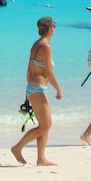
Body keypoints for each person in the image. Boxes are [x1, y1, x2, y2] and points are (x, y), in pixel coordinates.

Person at [11, 16, 63, 166]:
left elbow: (29, 69)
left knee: (44, 125)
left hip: (34, 87)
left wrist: (30, 89)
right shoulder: (46, 47)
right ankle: (17, 147)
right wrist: (58, 89)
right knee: (45, 125)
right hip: (38, 88)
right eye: (54, 26)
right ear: (51, 28)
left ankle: (41, 158)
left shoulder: (36, 44)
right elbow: (49, 72)